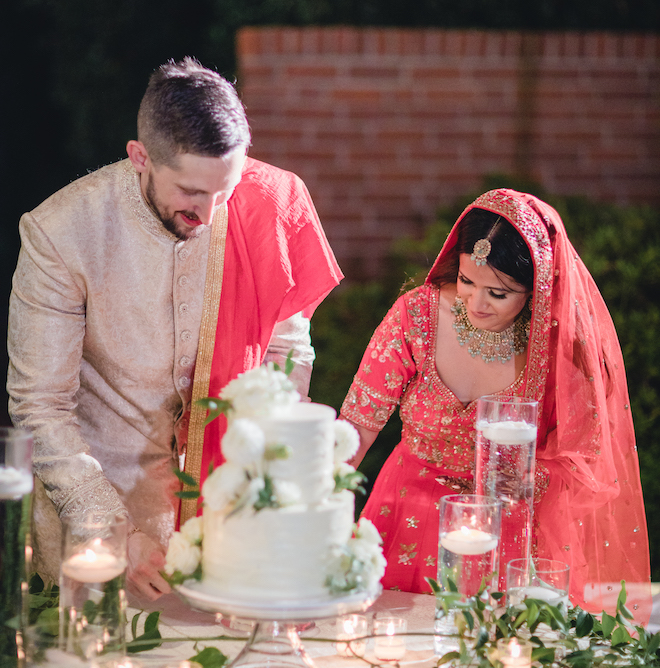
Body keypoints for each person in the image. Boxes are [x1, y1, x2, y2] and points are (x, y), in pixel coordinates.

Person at [7, 58, 342, 601]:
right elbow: (39, 406)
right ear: (140, 157)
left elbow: (285, 344)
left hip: (230, 524)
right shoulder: (61, 233)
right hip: (102, 522)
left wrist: (268, 471)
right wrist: (114, 532)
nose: (210, 214)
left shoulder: (265, 207)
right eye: (190, 193)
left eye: (225, 191)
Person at [341, 189, 651, 621]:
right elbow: (357, 424)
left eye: (499, 293)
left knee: (488, 657)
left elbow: (585, 458)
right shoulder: (417, 315)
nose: (476, 303)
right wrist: (322, 506)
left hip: (501, 526)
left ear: (537, 287)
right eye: (467, 281)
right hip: (406, 507)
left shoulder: (558, 348)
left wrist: (524, 478)